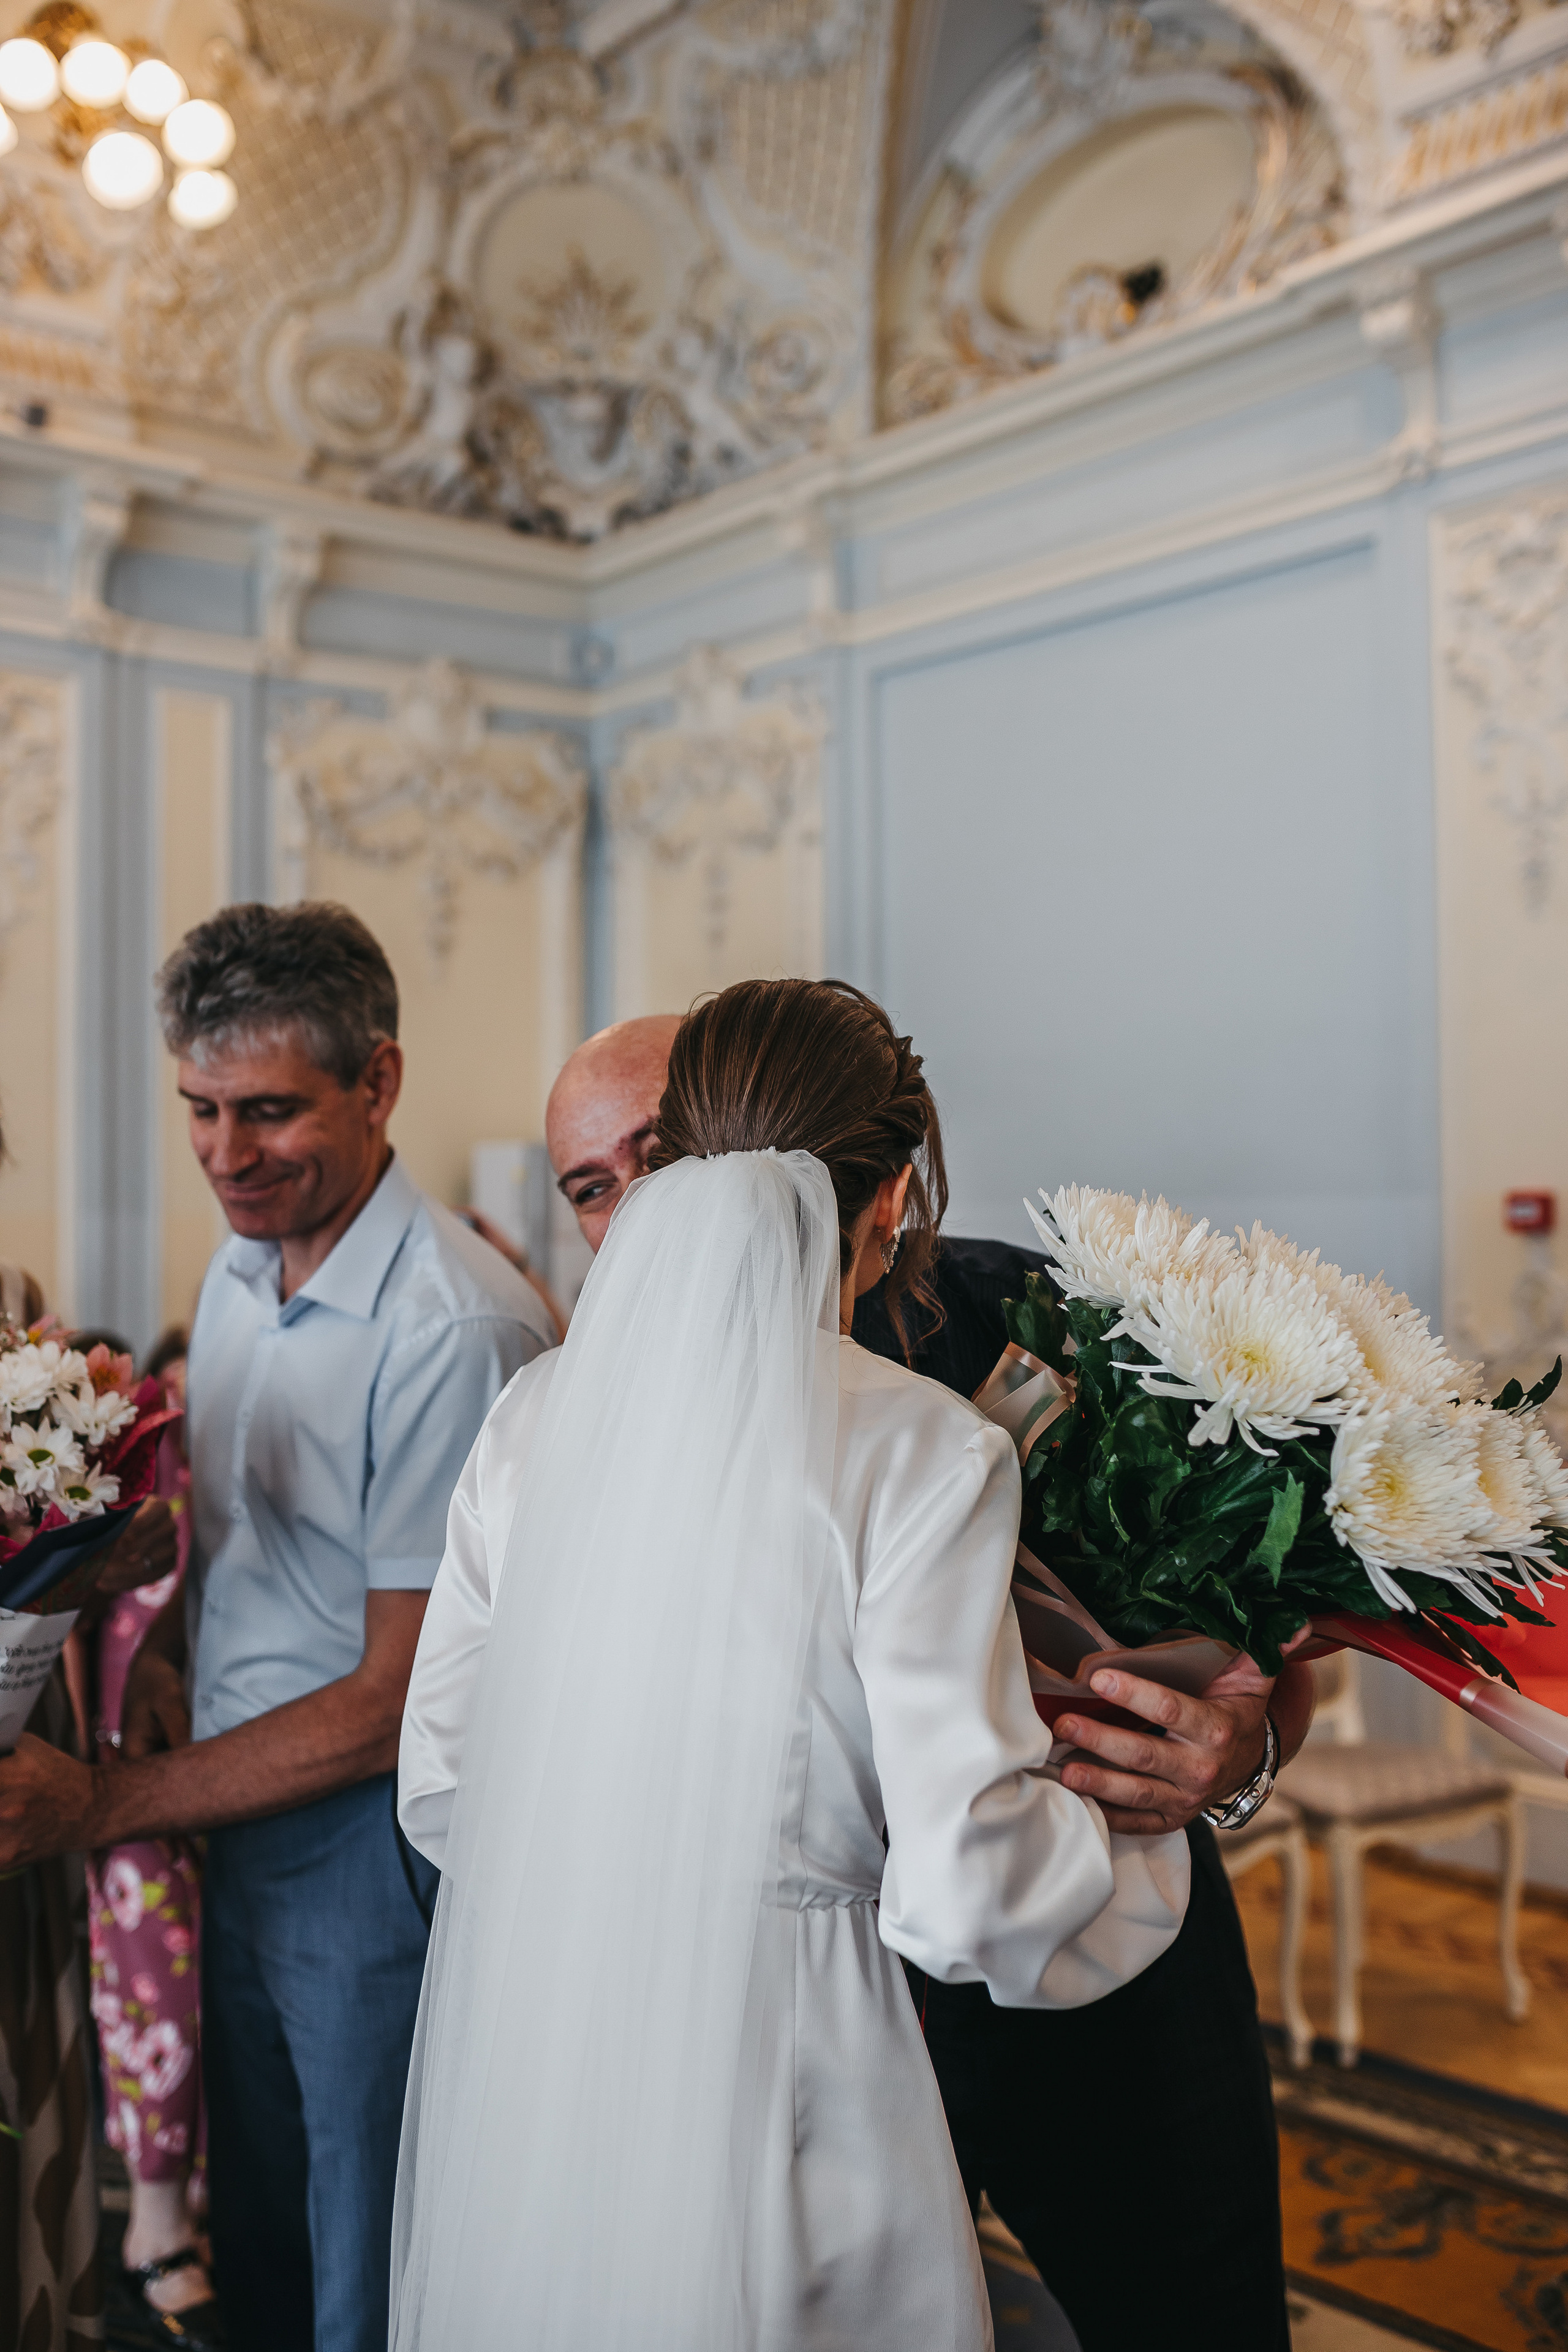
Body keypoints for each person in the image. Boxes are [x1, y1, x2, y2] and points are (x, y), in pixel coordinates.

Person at [391, 979, 1189, 2349]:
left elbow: (448, 1782)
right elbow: (964, 1890)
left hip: (558, 2048)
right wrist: (1126, 1828)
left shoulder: (535, 1421)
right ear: (887, 1201)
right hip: (801, 2051)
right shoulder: (921, 1449)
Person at [547, 1008, 1317, 2352]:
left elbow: (1262, 1631)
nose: (643, 1212)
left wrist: (1240, 1756)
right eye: (589, 1190)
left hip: (1107, 1976)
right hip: (796, 2023)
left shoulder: (1034, 1320)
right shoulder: (575, 1422)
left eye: (663, 1156)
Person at [0, 903, 555, 2352]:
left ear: (377, 1083)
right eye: (198, 1109)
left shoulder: (453, 1328)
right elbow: (237, 1538)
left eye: (268, 1111)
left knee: (363, 2242)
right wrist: (159, 1629)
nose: (227, 1156)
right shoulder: (241, 1266)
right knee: (255, 2212)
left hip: (368, 1838)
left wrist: (107, 1803)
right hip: (230, 1812)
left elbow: (397, 1695)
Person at [81, 1324, 220, 2346]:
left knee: (178, 1992)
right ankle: (155, 2227)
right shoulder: (128, 1450)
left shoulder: (173, 1448)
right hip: (113, 1771)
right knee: (151, 1993)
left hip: (174, 1760)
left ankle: (176, 2221)